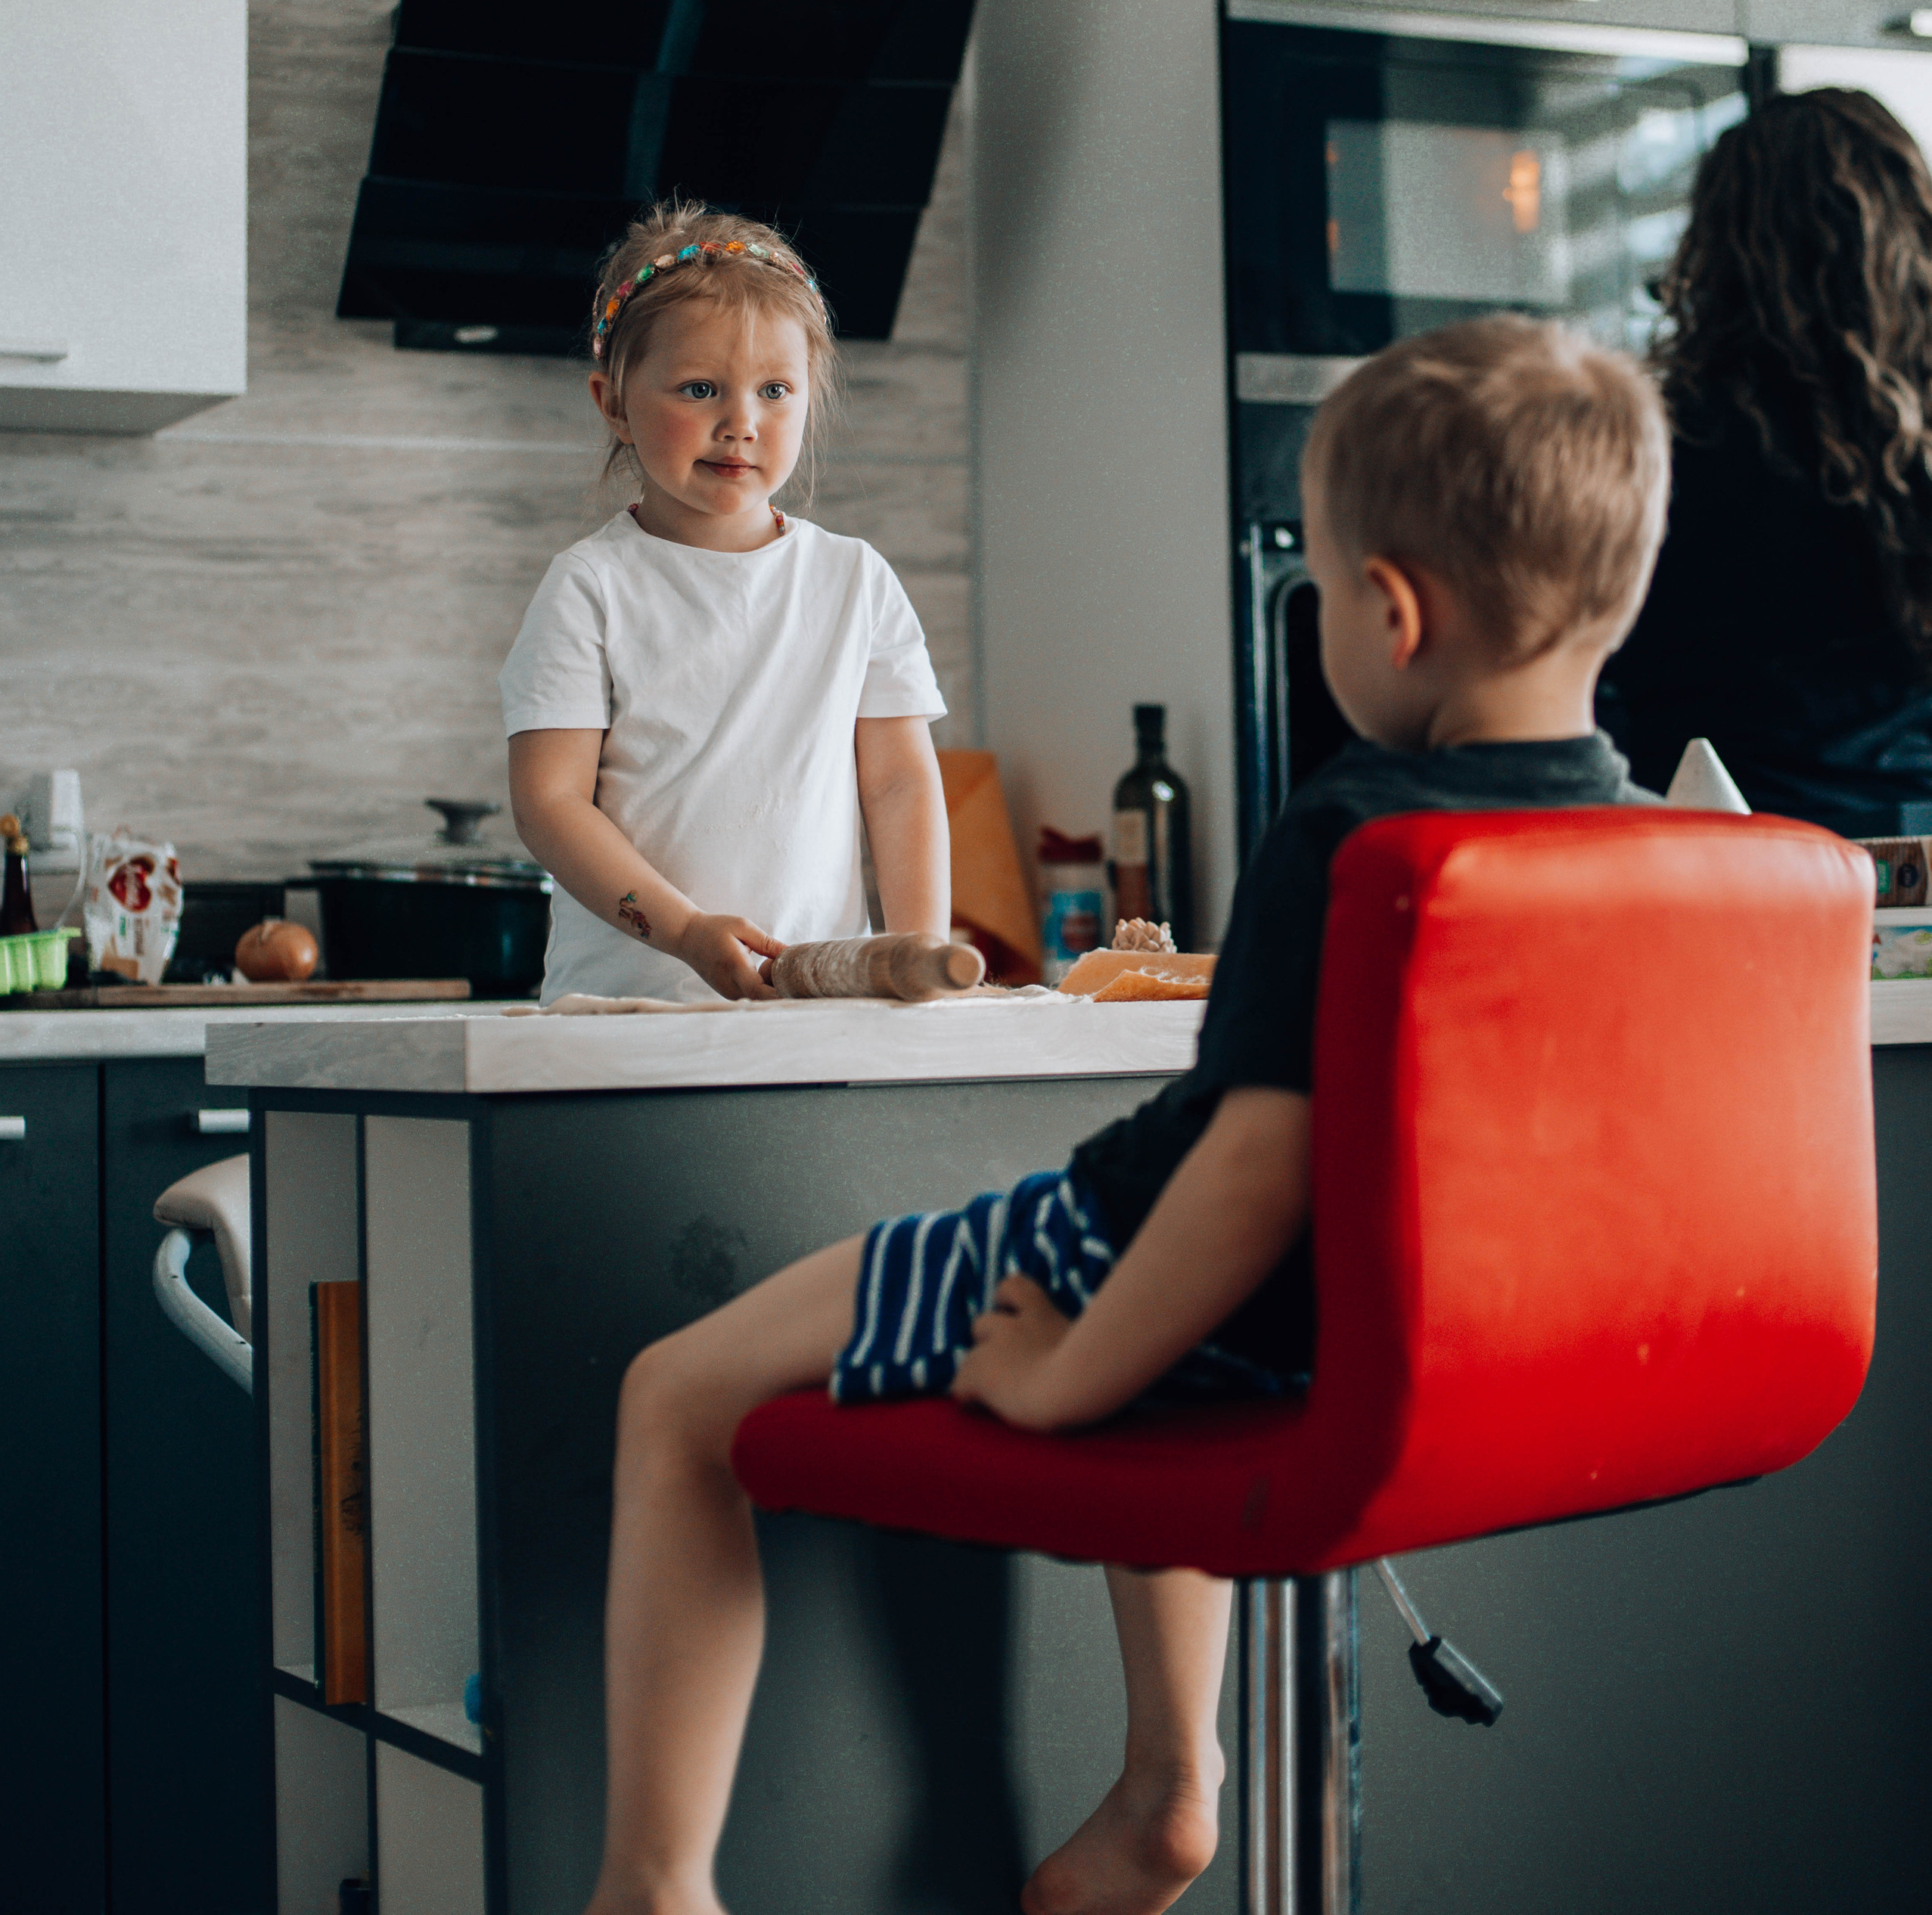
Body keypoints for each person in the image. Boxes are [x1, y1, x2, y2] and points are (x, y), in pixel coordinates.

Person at [582, 315, 1668, 1915]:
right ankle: (1164, 1779)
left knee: (676, 1396)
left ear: (1381, 608)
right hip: (1410, 1335)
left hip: (1167, 1280)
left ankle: (651, 1887)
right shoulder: (1636, 839)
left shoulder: (1355, 839)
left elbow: (1240, 1178)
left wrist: (1063, 1379)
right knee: (1131, 1280)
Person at [502, 201, 951, 1004]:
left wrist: (918, 962)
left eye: (775, 389)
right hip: (626, 1014)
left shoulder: (855, 581)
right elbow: (548, 802)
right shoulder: (589, 587)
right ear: (612, 402)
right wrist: (681, 930)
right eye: (700, 388)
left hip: (812, 1010)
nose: (740, 423)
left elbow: (900, 787)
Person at [1602, 88, 1932, 830]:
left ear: (1714, 245)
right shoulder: (1916, 441)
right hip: (1915, 856)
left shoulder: (1653, 440)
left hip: (1718, 860)